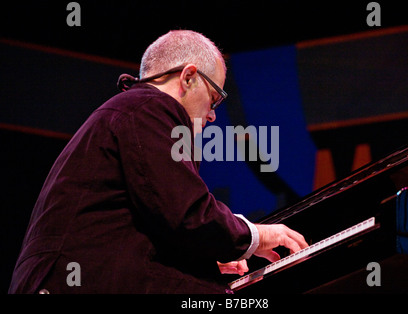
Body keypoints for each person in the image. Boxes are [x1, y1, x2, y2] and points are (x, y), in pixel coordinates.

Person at [9, 30, 308, 294]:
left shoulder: (130, 111)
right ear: (188, 77)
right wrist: (258, 234)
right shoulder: (150, 107)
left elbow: (146, 217)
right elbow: (188, 212)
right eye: (214, 98)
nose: (214, 115)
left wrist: (199, 254)